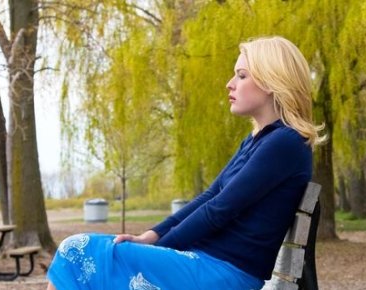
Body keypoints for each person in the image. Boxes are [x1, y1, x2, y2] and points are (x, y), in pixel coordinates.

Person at [46, 35, 323, 290]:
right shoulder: (259, 140)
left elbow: (219, 210)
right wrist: (150, 237)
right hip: (206, 263)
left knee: (77, 250)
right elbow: (210, 196)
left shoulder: (284, 143)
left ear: (272, 81)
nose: (230, 83)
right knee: (83, 252)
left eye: (241, 75)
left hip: (224, 273)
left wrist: (160, 249)